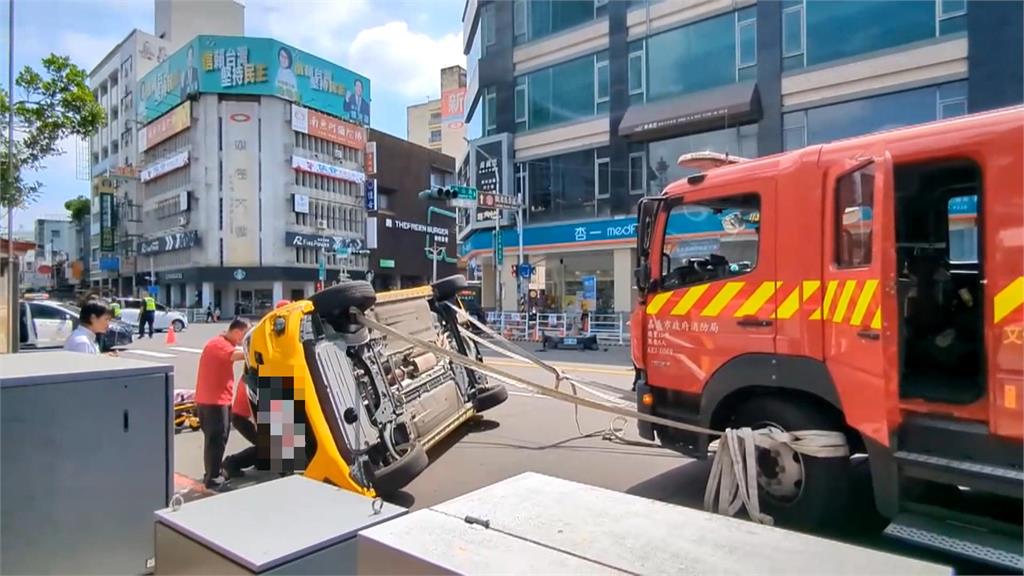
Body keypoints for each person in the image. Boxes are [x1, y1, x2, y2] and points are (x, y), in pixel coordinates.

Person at [195, 318, 250, 491]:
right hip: (213, 402)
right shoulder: (220, 345)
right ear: (237, 332)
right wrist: (257, 350)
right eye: (245, 334)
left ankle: (213, 472)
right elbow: (236, 355)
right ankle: (212, 479)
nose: (245, 338)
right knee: (216, 441)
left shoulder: (220, 342)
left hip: (213, 400)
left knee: (218, 439)